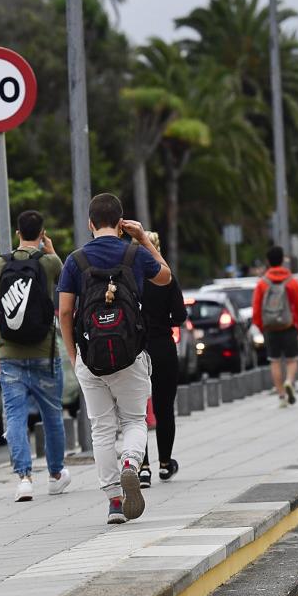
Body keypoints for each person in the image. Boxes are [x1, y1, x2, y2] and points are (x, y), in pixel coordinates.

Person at [58, 193, 171, 524]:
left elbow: (65, 311)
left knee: (101, 428)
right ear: (121, 223)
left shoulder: (75, 261)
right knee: (135, 420)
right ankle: (131, 464)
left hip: (90, 357)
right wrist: (143, 240)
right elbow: (165, 277)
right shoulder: (134, 253)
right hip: (131, 354)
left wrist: (73, 354)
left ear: (90, 223)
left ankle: (114, 503)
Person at [0, 210, 70, 502]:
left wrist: (0, 348)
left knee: (15, 417)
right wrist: (48, 246)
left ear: (17, 233)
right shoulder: (48, 262)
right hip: (45, 353)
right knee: (52, 416)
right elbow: (64, 272)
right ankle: (56, 474)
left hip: (11, 356)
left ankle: (24, 478)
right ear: (42, 232)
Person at [138, 231, 187, 487]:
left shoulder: (129, 276)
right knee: (164, 407)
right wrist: (162, 323)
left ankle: (143, 466)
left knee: (136, 411)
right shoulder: (167, 279)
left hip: (135, 348)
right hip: (162, 346)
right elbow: (180, 315)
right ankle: (166, 463)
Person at [252, 245, 298, 408]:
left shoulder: (262, 284)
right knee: (291, 360)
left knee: (274, 362)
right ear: (283, 260)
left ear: (268, 262)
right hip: (289, 326)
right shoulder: (293, 282)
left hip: (270, 328)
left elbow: (256, 308)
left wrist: (262, 327)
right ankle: (289, 381)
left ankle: (282, 396)